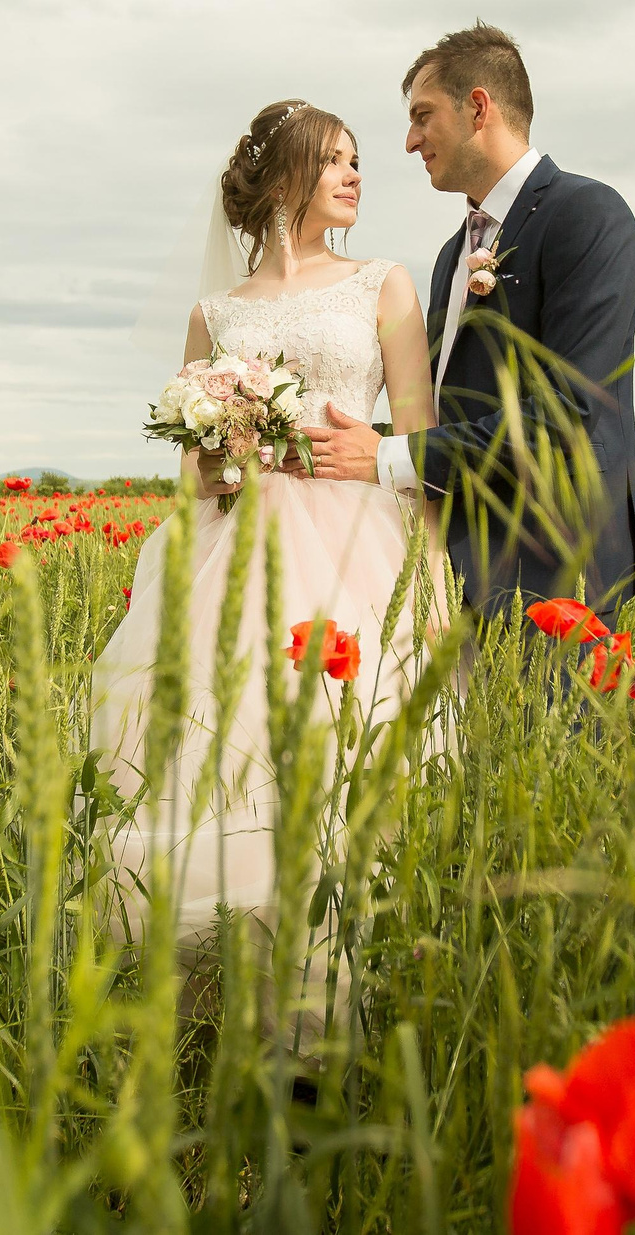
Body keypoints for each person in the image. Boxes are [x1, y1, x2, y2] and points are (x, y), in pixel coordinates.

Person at [93, 98, 447, 963]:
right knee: (220, 745)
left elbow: (419, 434)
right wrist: (215, 466)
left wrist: (432, 572)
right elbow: (190, 471)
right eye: (335, 159)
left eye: (357, 159)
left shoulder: (385, 282)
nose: (356, 173)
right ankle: (218, 958)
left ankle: (335, 949)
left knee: (337, 735)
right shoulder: (214, 314)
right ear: (287, 174)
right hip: (231, 545)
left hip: (354, 538)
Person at [303, 22, 635, 619]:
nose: (410, 141)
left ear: (478, 107)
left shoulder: (587, 215)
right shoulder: (450, 255)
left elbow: (570, 416)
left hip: (558, 571)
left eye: (423, 115)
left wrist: (387, 457)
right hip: (459, 568)